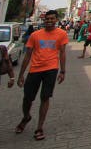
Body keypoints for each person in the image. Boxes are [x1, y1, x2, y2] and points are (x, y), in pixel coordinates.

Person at [15, 9, 68, 141]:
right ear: (44, 20)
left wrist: (62, 71)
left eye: (52, 19)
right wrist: (21, 74)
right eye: (47, 19)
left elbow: (62, 53)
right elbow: (27, 55)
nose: (49, 21)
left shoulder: (61, 34)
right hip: (35, 69)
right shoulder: (35, 35)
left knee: (45, 97)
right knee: (27, 98)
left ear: (56, 20)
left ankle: (39, 127)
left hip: (51, 69)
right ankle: (26, 116)